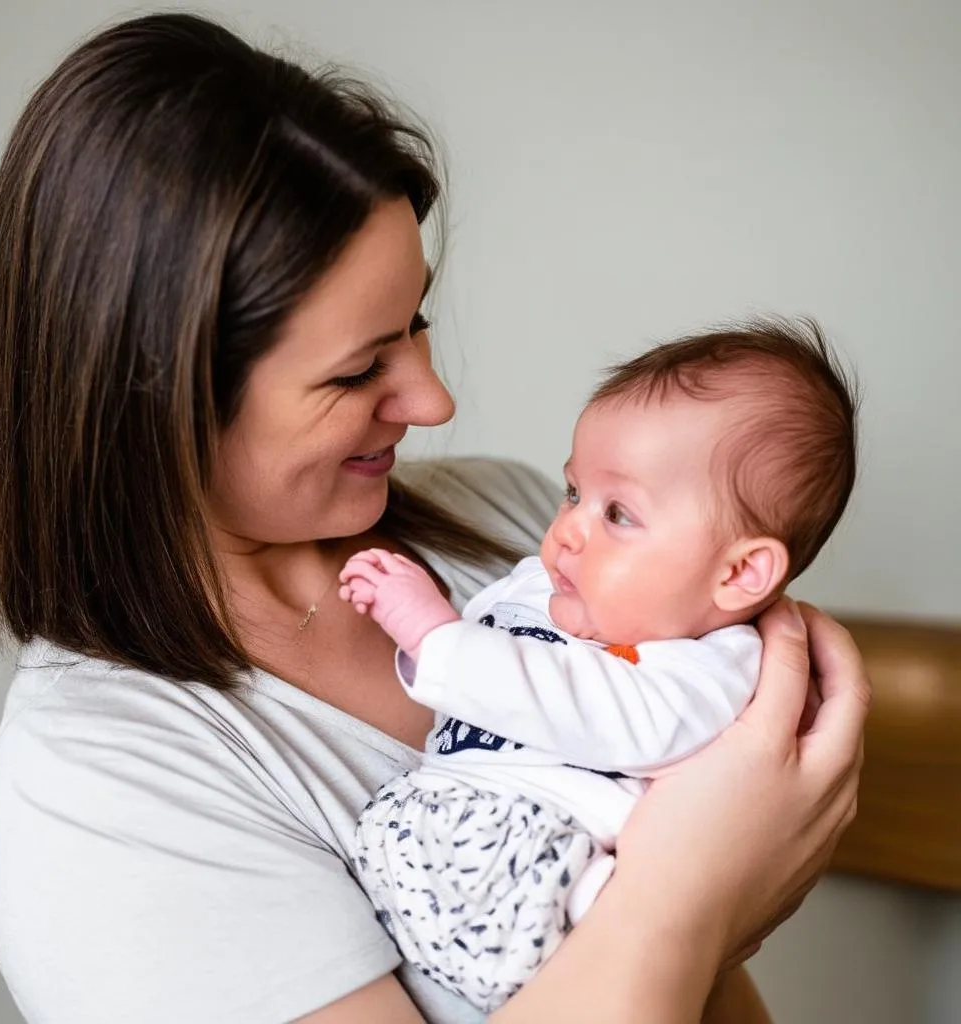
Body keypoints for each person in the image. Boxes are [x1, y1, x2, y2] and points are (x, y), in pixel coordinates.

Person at [0, 12, 869, 1024]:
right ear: (155, 394)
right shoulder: (105, 790)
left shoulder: (516, 526)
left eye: (418, 324)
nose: (432, 401)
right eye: (360, 368)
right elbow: (688, 902)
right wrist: (692, 893)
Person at [339, 321, 858, 1010]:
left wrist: (434, 635)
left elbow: (614, 718)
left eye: (619, 514)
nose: (569, 529)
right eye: (574, 491)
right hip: (424, 826)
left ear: (739, 574)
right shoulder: (542, 582)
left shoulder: (714, 668)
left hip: (544, 864)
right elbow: (473, 680)